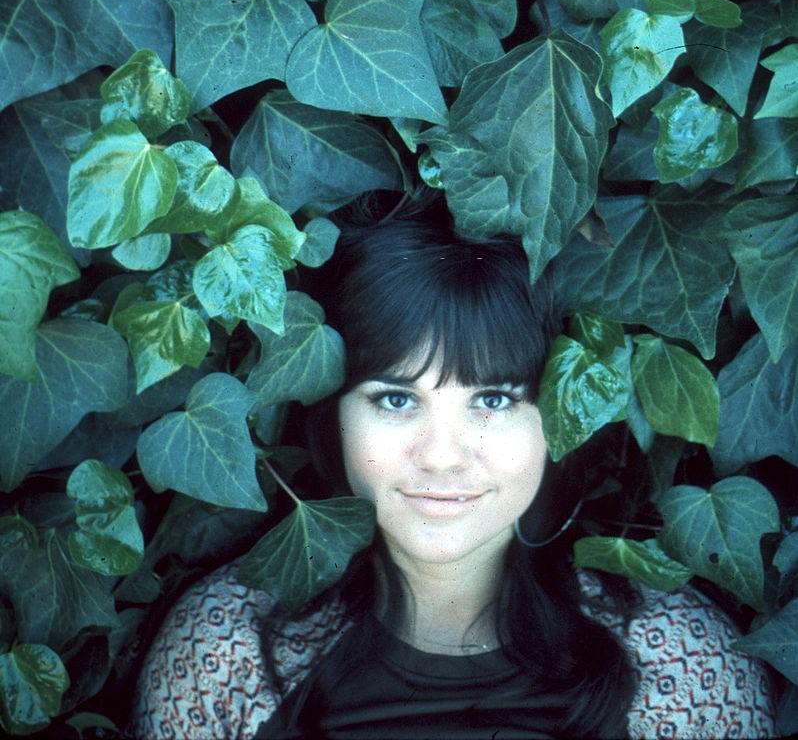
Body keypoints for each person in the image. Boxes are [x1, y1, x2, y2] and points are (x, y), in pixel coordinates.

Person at [129, 190, 778, 739]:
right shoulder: (228, 650)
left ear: (559, 420)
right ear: (332, 415)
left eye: (493, 399)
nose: (441, 456)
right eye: (395, 398)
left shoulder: (680, 661)